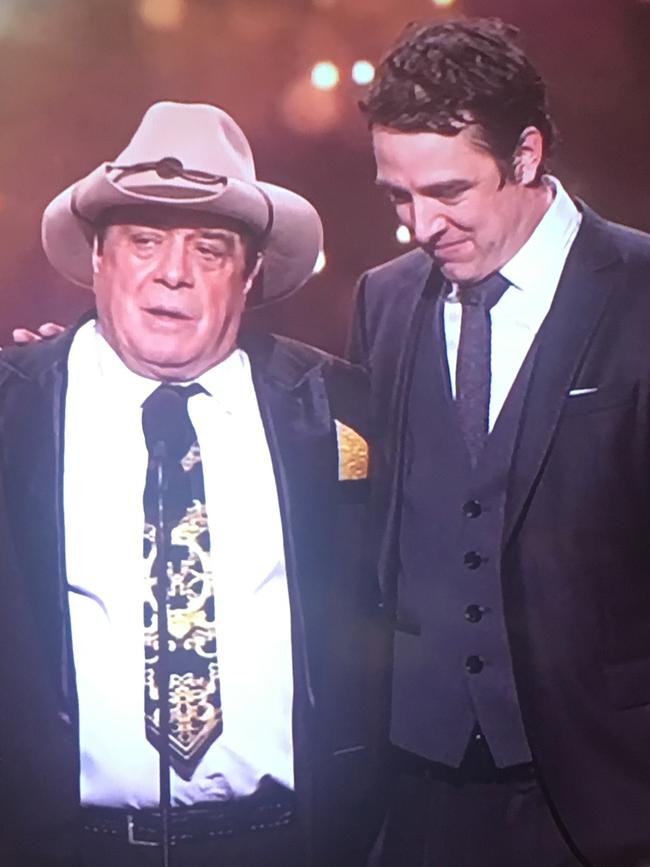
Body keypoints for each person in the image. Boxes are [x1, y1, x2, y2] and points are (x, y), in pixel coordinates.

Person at [0, 101, 381, 867]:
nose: (172, 272)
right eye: (144, 240)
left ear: (250, 276)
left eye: (209, 250)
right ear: (99, 258)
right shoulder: (13, 411)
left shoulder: (341, 410)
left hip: (288, 846)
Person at [349, 17, 650, 867]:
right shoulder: (385, 299)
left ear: (526, 155)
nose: (419, 225)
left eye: (448, 191)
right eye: (398, 197)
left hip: (602, 797)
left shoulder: (641, 292)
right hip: (415, 788)